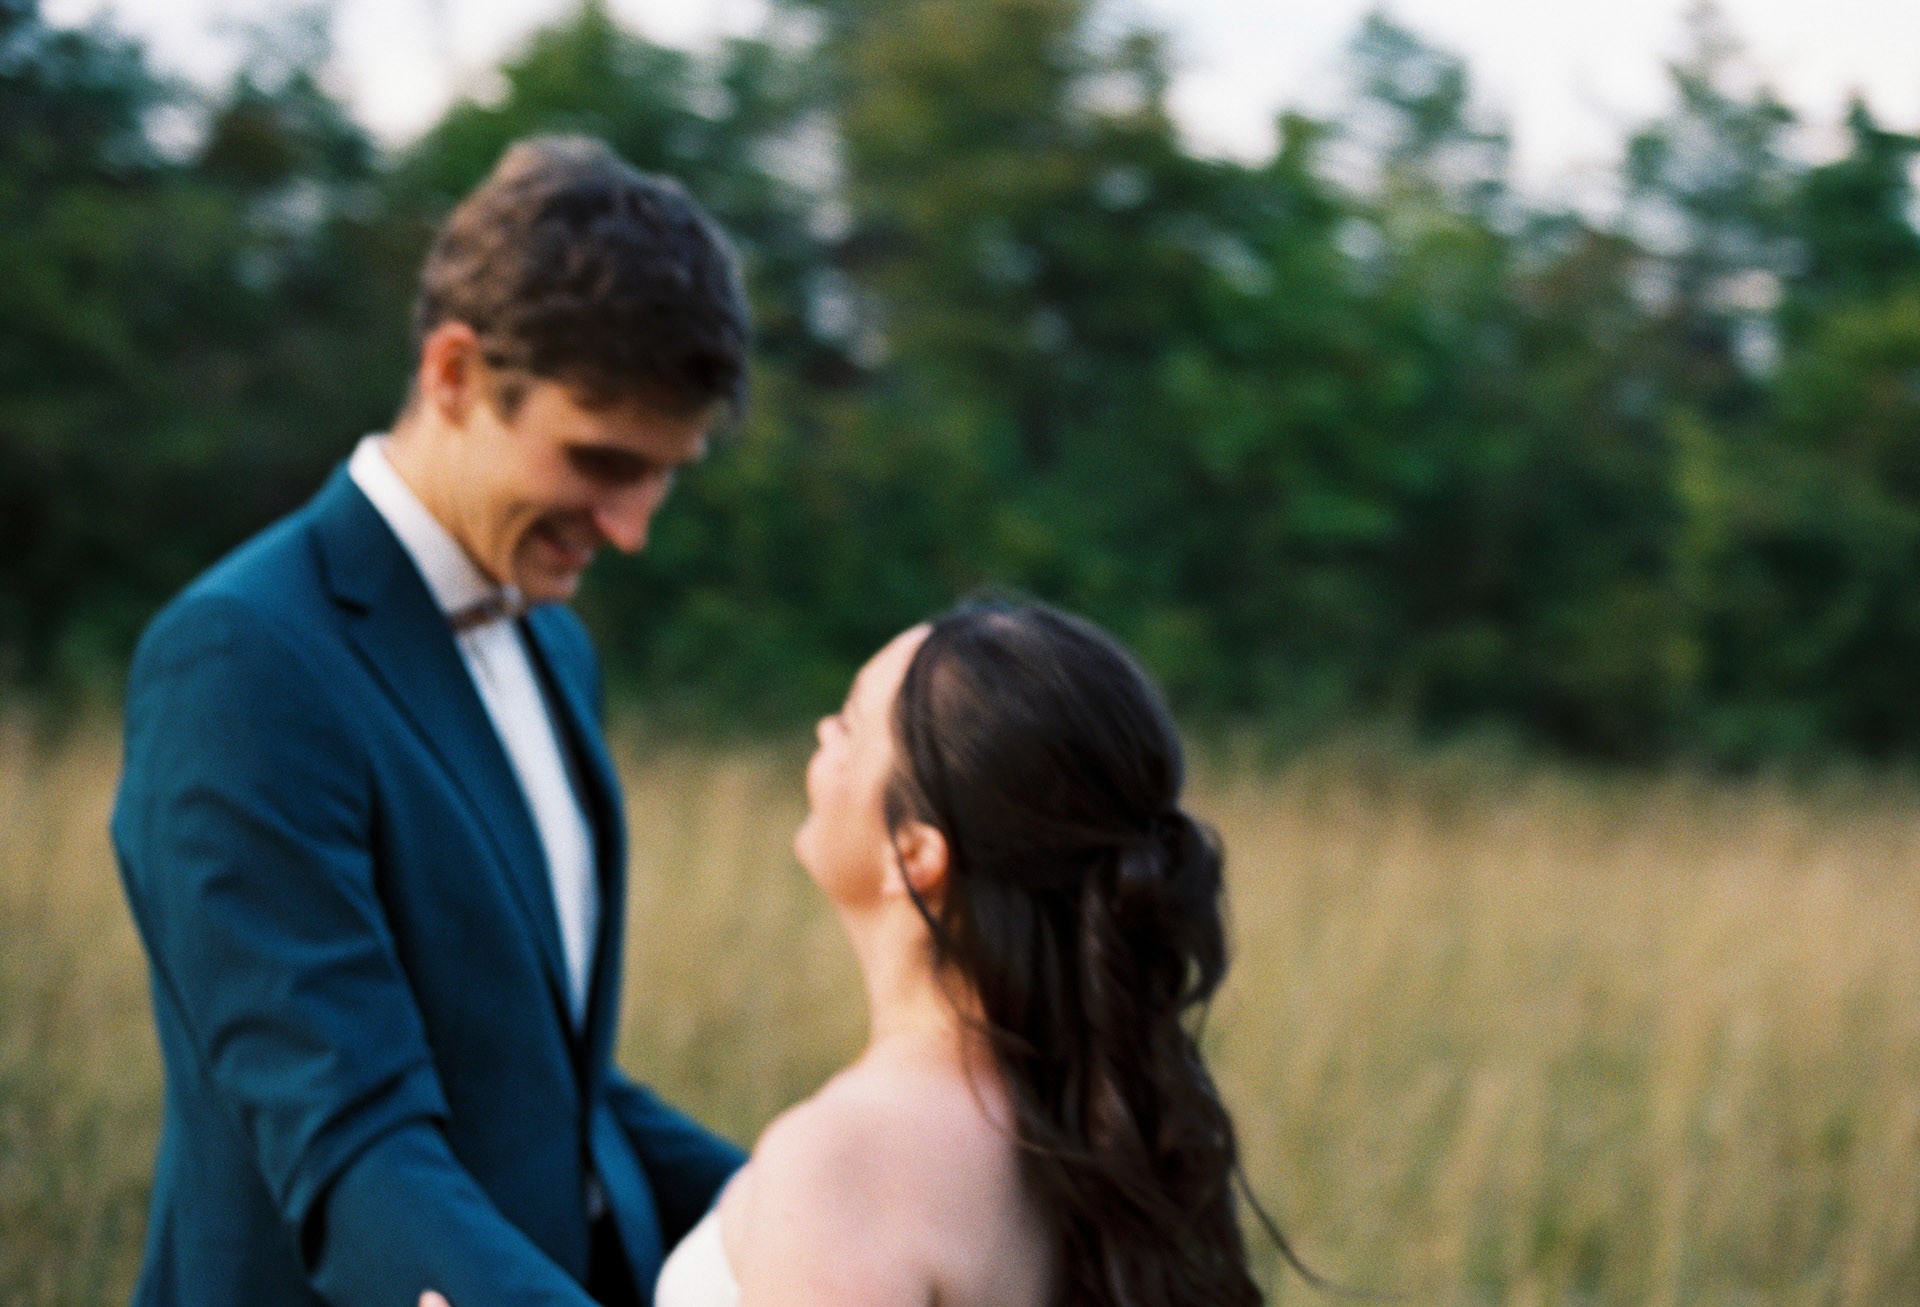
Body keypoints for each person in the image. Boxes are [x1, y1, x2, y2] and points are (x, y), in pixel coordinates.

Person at [112, 135, 751, 1307]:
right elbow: (352, 1142)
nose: (630, 528)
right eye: (601, 460)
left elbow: (557, 1082)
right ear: (455, 372)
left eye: (663, 473)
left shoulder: (553, 637)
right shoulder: (242, 663)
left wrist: (840, 1224)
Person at [648, 598, 1295, 1305]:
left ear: (914, 852)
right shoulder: (1097, 1127)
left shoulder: (843, 1163)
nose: (822, 733)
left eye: (851, 727)